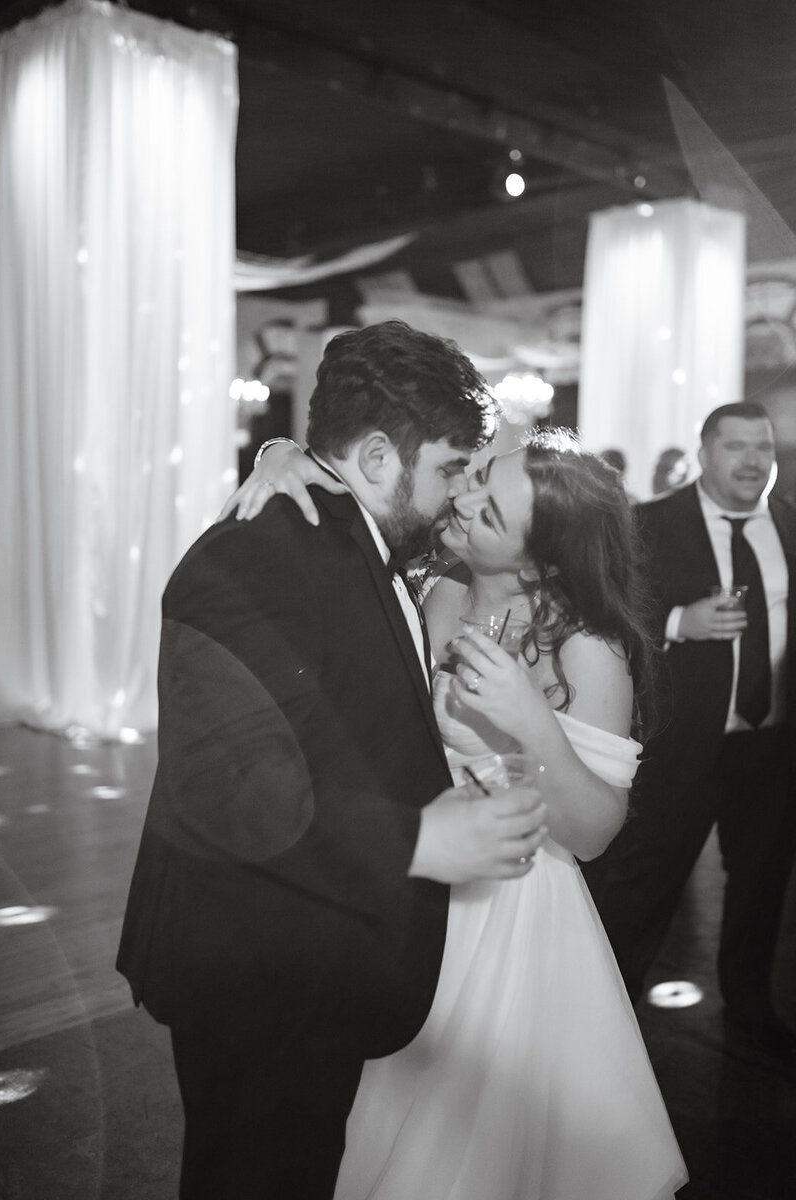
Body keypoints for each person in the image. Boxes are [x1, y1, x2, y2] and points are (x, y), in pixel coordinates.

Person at [116, 320, 548, 1200]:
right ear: (381, 457)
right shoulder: (254, 553)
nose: (461, 497)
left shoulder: (358, 538)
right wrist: (416, 845)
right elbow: (228, 785)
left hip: (314, 952)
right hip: (254, 968)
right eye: (451, 469)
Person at [229, 428, 688, 1199]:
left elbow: (594, 833)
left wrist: (527, 720)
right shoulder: (434, 588)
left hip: (509, 911)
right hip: (405, 878)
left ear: (542, 559)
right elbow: (353, 484)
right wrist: (281, 453)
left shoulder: (587, 650)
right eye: (476, 477)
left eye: (490, 507)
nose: (465, 498)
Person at [583, 402, 796, 1061]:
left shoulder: (788, 522)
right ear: (704, 453)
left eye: (763, 446)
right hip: (682, 747)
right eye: (736, 446)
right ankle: (607, 1022)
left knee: (761, 885)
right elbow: (606, 612)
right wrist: (680, 622)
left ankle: (751, 1008)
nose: (753, 459)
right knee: (646, 887)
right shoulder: (649, 525)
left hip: (770, 744)